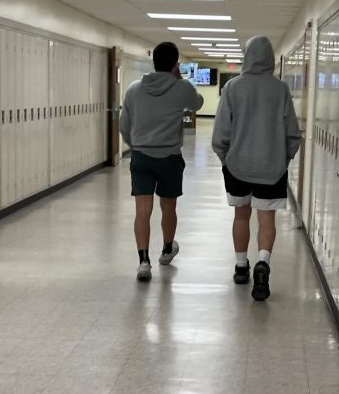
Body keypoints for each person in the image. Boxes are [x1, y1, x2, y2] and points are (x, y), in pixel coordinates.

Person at [212, 36, 301, 301]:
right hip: (271, 167)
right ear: (271, 59)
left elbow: (221, 132)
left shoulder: (232, 87)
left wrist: (225, 158)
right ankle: (263, 262)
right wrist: (282, 159)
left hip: (237, 166)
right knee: (266, 218)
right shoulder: (280, 89)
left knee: (241, 215)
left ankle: (241, 266)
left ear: (247, 56)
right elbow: (292, 133)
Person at [120, 42, 204, 281]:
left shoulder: (134, 89)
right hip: (169, 158)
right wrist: (179, 79)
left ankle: (144, 262)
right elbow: (198, 103)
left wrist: (136, 144)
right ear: (174, 64)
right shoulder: (182, 87)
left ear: (153, 61)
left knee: (142, 210)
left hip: (141, 157)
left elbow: (124, 126)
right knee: (169, 207)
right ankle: (167, 250)